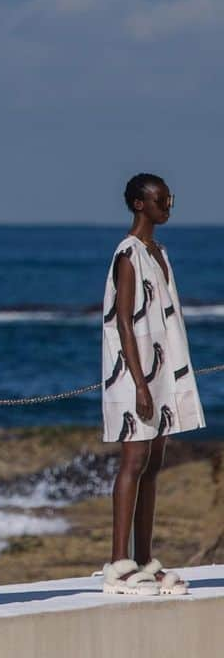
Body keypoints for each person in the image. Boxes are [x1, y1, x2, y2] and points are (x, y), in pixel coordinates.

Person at [101, 174, 204, 596]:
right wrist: (140, 383)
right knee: (132, 462)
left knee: (152, 466)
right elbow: (123, 319)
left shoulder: (158, 252)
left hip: (160, 374)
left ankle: (144, 560)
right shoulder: (128, 253)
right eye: (160, 199)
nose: (168, 204)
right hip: (135, 375)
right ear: (139, 204)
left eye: (169, 198)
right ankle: (118, 566)